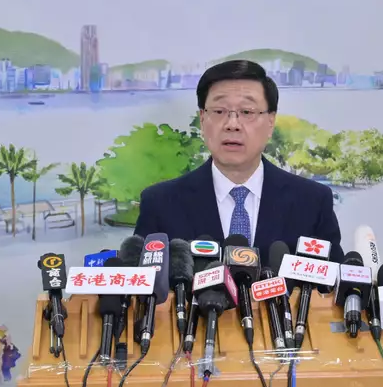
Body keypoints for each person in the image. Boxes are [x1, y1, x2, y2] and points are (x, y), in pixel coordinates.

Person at [134, 60, 343, 261]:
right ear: (203, 119)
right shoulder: (160, 204)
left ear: (271, 122)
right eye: (219, 111)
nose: (232, 124)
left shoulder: (312, 202)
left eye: (246, 112)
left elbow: (333, 281)